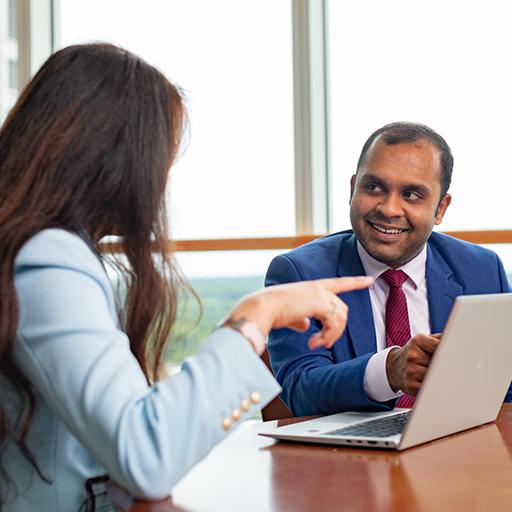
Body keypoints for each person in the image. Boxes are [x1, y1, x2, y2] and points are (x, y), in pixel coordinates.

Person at [0, 43, 373, 511]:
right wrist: (257, 313)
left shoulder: (40, 248)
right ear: (111, 156)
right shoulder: (49, 257)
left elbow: (123, 430)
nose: (158, 184)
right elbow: (148, 455)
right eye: (160, 161)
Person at [266, 121, 512, 416]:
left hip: (457, 451)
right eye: (373, 187)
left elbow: (504, 387)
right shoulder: (299, 273)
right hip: (350, 457)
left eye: (411, 195)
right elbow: (301, 390)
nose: (389, 209)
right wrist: (390, 370)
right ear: (352, 189)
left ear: (441, 208)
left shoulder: (482, 270)